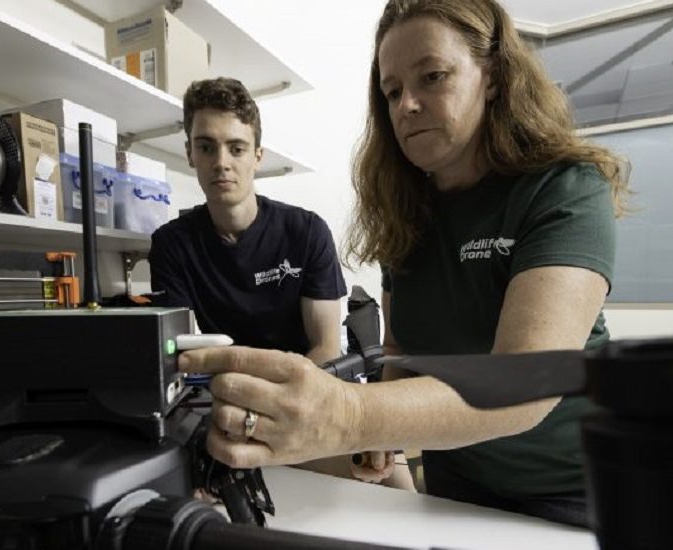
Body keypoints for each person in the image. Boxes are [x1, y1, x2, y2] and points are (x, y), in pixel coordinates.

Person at [178, 0, 629, 527]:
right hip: (457, 477)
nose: (407, 105)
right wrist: (379, 437)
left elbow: (525, 381)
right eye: (392, 92)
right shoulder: (406, 211)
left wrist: (348, 416)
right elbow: (400, 350)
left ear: (493, 75)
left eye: (432, 77)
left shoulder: (564, 188)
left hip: (573, 482)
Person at [149, 77, 346, 364]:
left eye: (237, 149)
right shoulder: (171, 246)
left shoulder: (306, 232)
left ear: (257, 157)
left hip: (301, 393)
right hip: (218, 391)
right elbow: (182, 354)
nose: (221, 162)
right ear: (189, 153)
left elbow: (326, 351)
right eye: (206, 147)